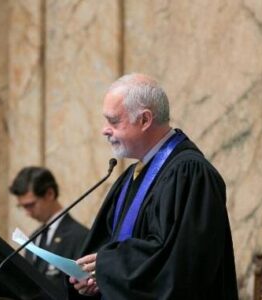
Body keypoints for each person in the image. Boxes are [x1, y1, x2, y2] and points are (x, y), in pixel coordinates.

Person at [67, 73, 238, 299]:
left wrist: (106, 269)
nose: (104, 130)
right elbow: (110, 245)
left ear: (145, 120)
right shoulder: (133, 176)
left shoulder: (190, 174)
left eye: (113, 121)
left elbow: (178, 266)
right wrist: (93, 278)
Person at [9, 166, 89, 290]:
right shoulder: (33, 237)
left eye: (30, 205)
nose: (27, 213)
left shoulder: (80, 236)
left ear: (49, 194)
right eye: (23, 207)